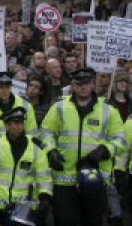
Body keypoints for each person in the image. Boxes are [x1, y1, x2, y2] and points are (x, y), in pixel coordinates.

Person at [41, 68, 125, 226]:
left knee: (92, 221)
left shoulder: (108, 109)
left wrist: (104, 151)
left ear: (93, 84)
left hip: (95, 179)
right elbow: (46, 132)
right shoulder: (59, 107)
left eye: (87, 83)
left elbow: (120, 140)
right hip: (65, 179)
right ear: (73, 85)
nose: (83, 87)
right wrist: (50, 150)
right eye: (79, 84)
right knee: (65, 221)